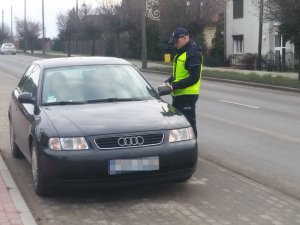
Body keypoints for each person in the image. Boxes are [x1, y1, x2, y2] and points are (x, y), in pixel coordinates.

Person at [165, 27, 203, 137]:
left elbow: (194, 77)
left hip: (187, 96)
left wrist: (175, 85)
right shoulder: (182, 53)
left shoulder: (192, 54)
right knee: (178, 123)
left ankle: (192, 148)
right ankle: (180, 144)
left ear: (185, 38)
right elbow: (178, 75)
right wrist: (168, 82)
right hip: (180, 95)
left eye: (176, 42)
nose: (175, 45)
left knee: (188, 124)